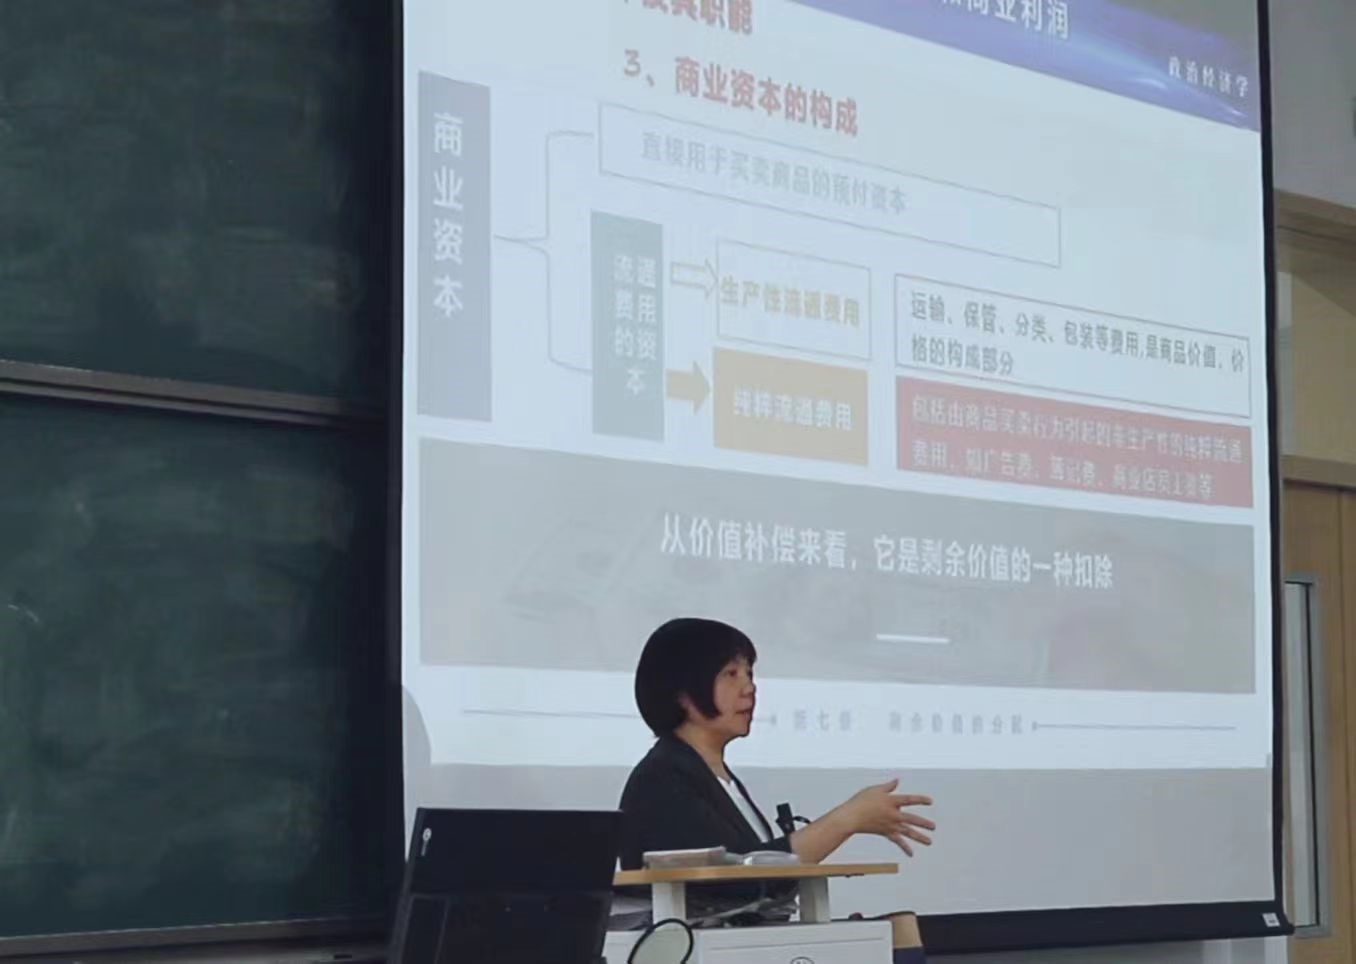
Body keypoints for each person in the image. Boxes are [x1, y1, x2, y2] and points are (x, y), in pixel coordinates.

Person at [618, 617, 936, 872]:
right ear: (682, 693)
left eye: (749, 673)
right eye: (731, 674)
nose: (749, 687)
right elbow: (733, 877)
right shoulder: (663, 778)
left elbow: (752, 867)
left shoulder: (715, 775)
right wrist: (847, 819)